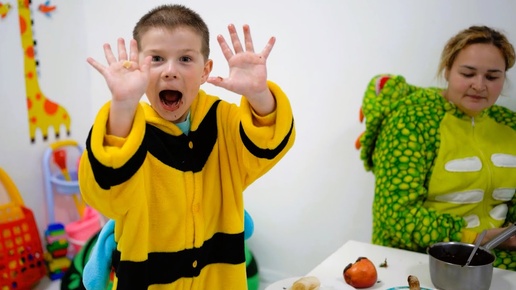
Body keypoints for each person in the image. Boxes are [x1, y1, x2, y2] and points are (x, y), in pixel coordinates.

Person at [78, 4, 295, 289]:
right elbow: (104, 192)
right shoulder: (129, 129)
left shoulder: (223, 121)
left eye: (185, 59)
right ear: (139, 67)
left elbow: (268, 143)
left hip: (218, 280)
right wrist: (122, 107)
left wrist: (259, 96)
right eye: (157, 58)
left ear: (205, 71)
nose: (170, 71)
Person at [358, 25, 516, 271]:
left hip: (498, 261)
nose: (479, 85)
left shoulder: (510, 125)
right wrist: (476, 238)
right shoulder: (411, 120)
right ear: (447, 70)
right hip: (423, 260)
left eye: (492, 77)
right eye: (468, 74)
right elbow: (396, 216)